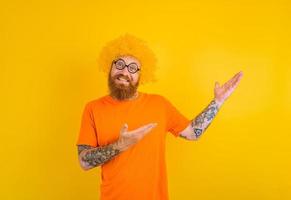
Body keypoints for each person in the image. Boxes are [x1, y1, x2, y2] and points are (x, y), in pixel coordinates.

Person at [76, 34, 243, 200]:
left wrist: (218, 101)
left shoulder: (159, 104)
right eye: (119, 64)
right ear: (109, 67)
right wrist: (119, 146)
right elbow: (84, 162)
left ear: (141, 75)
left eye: (133, 68)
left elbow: (193, 133)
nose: (125, 72)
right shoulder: (93, 108)